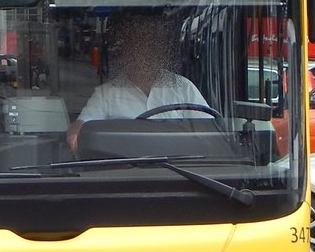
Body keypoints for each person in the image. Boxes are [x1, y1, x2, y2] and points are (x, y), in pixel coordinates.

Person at [66, 11, 210, 152]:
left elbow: (209, 132)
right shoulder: (107, 94)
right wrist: (76, 132)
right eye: (137, 43)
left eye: (150, 44)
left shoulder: (183, 87)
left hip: (179, 170)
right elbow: (82, 126)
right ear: (125, 51)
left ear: (160, 50)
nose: (143, 51)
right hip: (124, 171)